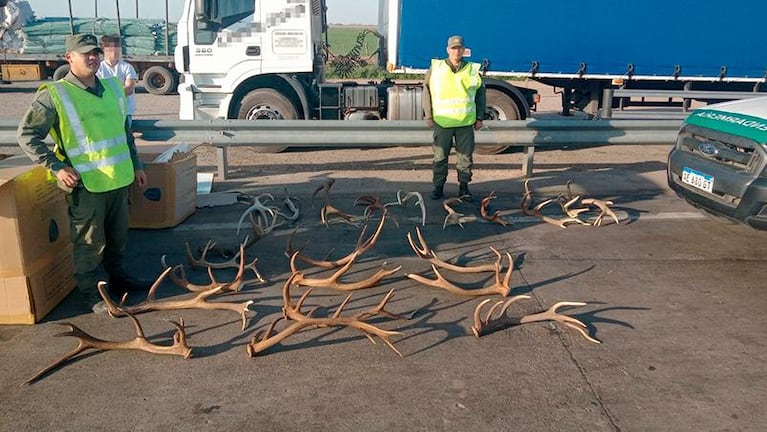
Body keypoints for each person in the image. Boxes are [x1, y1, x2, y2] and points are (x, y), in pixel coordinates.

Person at [16, 34, 149, 314]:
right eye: (86, 53)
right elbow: (27, 134)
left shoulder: (112, 88)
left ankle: (118, 279)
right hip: (86, 185)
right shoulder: (55, 95)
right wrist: (56, 166)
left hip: (119, 179)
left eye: (96, 53)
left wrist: (137, 165)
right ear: (69, 58)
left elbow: (123, 133)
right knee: (89, 244)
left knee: (117, 238)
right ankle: (92, 293)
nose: (93, 57)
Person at [422, 34, 486, 202]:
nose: (456, 52)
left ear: (464, 50)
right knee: (440, 157)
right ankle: (438, 188)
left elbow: (480, 95)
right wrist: (428, 115)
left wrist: (479, 117)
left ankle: (464, 188)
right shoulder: (436, 68)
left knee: (465, 157)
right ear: (448, 50)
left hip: (465, 122)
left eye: (459, 48)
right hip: (442, 121)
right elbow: (426, 92)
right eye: (453, 48)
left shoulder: (472, 69)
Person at [97, 34, 138, 129]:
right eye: (110, 50)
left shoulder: (127, 67)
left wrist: (108, 93)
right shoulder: (98, 68)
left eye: (116, 50)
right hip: (105, 112)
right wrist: (119, 90)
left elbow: (129, 90)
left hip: (125, 112)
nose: (114, 53)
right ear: (103, 51)